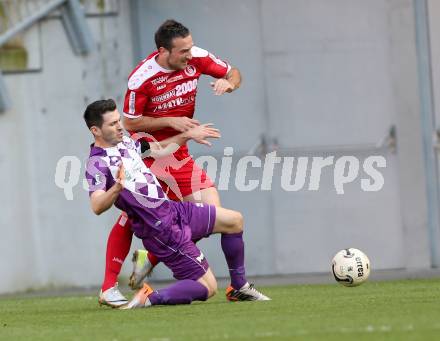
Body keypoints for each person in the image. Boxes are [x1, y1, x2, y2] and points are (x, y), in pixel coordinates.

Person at [99, 19, 242, 306]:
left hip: (179, 152)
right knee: (133, 214)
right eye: (183, 51)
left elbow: (234, 72)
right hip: (149, 153)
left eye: (191, 48)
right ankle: (108, 287)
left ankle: (149, 258)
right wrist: (170, 121)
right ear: (163, 51)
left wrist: (229, 84)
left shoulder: (197, 57)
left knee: (214, 215)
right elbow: (129, 121)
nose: (190, 55)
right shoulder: (141, 77)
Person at [84, 99, 270, 309]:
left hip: (174, 210)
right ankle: (150, 297)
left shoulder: (125, 142)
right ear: (95, 130)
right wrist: (117, 188)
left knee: (234, 220)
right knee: (208, 288)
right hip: (160, 229)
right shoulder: (96, 163)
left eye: (119, 120)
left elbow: (157, 149)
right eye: (112, 124)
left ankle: (238, 288)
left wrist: (186, 136)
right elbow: (97, 205)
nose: (120, 126)